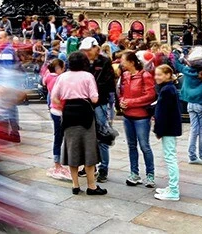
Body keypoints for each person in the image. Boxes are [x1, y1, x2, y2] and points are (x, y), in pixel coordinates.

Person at [50, 51, 107, 196]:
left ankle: (75, 185)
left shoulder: (62, 77)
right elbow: (94, 99)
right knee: (89, 149)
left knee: (72, 148)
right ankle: (91, 186)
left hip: (69, 113)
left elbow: (54, 97)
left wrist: (65, 106)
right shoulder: (88, 76)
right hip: (85, 113)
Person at [79, 37, 116, 183]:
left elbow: (107, 82)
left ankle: (103, 169)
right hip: (85, 103)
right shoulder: (82, 62)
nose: (87, 53)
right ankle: (90, 166)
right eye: (84, 50)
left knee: (102, 136)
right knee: (87, 136)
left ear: (96, 48)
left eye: (89, 50)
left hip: (100, 103)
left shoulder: (105, 61)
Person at [118, 51, 157, 187]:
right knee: (132, 145)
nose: (121, 63)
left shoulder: (144, 76)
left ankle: (150, 174)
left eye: (123, 60)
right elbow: (121, 92)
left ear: (132, 62)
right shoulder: (125, 75)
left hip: (141, 116)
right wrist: (122, 101)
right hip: (127, 115)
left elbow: (150, 95)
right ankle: (134, 173)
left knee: (144, 145)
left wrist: (130, 102)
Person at [153, 64, 182, 201]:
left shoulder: (166, 90)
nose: (156, 77)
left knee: (170, 158)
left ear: (168, 75)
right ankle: (172, 187)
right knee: (170, 157)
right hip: (170, 127)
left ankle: (174, 190)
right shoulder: (169, 88)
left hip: (168, 128)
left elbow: (162, 113)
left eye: (159, 74)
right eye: (156, 74)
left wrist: (158, 130)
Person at [44, 58, 70, 181]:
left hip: (54, 110)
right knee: (65, 137)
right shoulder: (60, 79)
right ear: (58, 68)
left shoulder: (48, 77)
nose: (64, 70)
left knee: (57, 137)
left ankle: (57, 162)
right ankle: (61, 163)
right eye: (63, 67)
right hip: (62, 110)